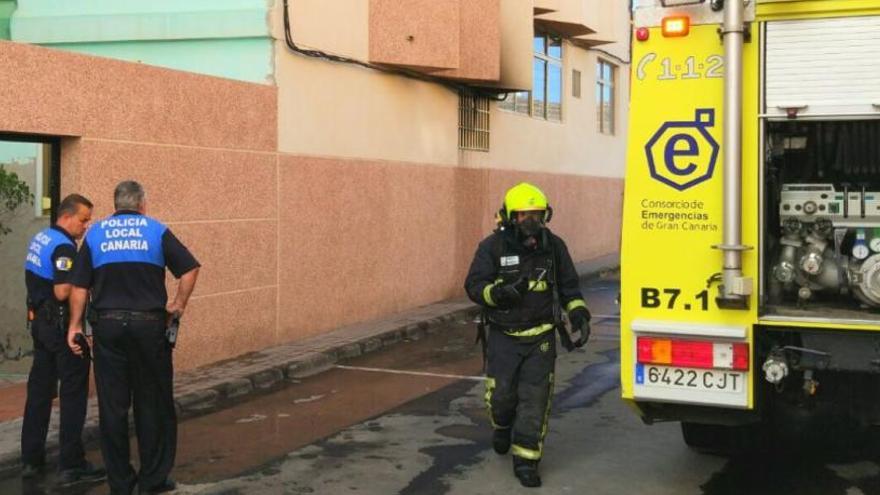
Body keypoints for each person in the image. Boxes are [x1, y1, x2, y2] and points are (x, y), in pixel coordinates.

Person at [66, 180, 200, 495]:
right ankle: (153, 479)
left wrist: (75, 325)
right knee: (151, 403)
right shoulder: (156, 230)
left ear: (116, 205)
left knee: (112, 407)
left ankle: (121, 483)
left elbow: (80, 286)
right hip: (148, 327)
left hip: (108, 328)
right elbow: (190, 269)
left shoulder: (96, 234)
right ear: (142, 205)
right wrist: (177, 307)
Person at [464, 182, 591, 488]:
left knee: (535, 400)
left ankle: (526, 461)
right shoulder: (492, 247)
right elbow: (474, 285)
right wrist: (500, 294)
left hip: (542, 337)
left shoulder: (554, 247)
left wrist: (579, 313)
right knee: (503, 397)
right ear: (510, 217)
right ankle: (502, 425)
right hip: (504, 336)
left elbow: (569, 286)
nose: (530, 222)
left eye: (536, 214)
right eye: (523, 215)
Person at [21, 193, 105, 485]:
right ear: (67, 217)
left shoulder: (41, 237)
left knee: (39, 393)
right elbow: (62, 291)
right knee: (73, 395)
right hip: (61, 329)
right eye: (83, 220)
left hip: (40, 325)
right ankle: (71, 464)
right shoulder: (65, 248)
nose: (86, 226)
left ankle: (31, 460)